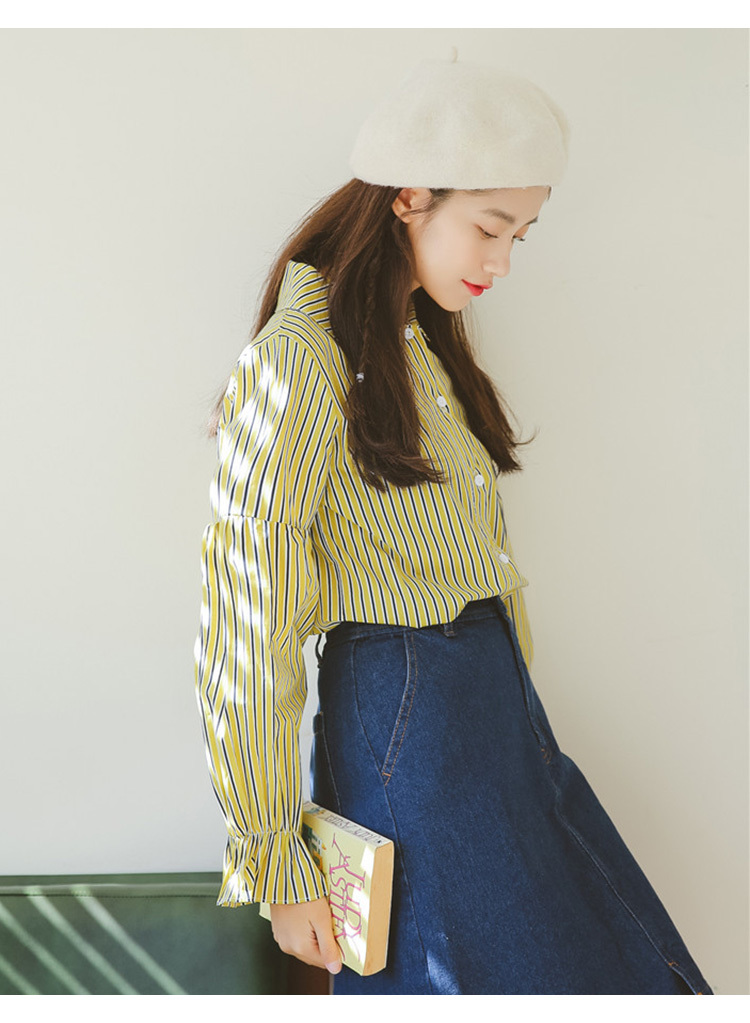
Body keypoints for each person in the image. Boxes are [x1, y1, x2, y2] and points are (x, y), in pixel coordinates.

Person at [194, 56, 713, 995]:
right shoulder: (298, 359)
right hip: (413, 713)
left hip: (488, 709)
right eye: (489, 227)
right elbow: (245, 619)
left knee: (613, 968)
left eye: (520, 235)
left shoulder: (414, 343)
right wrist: (275, 860)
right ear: (409, 197)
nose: (502, 262)